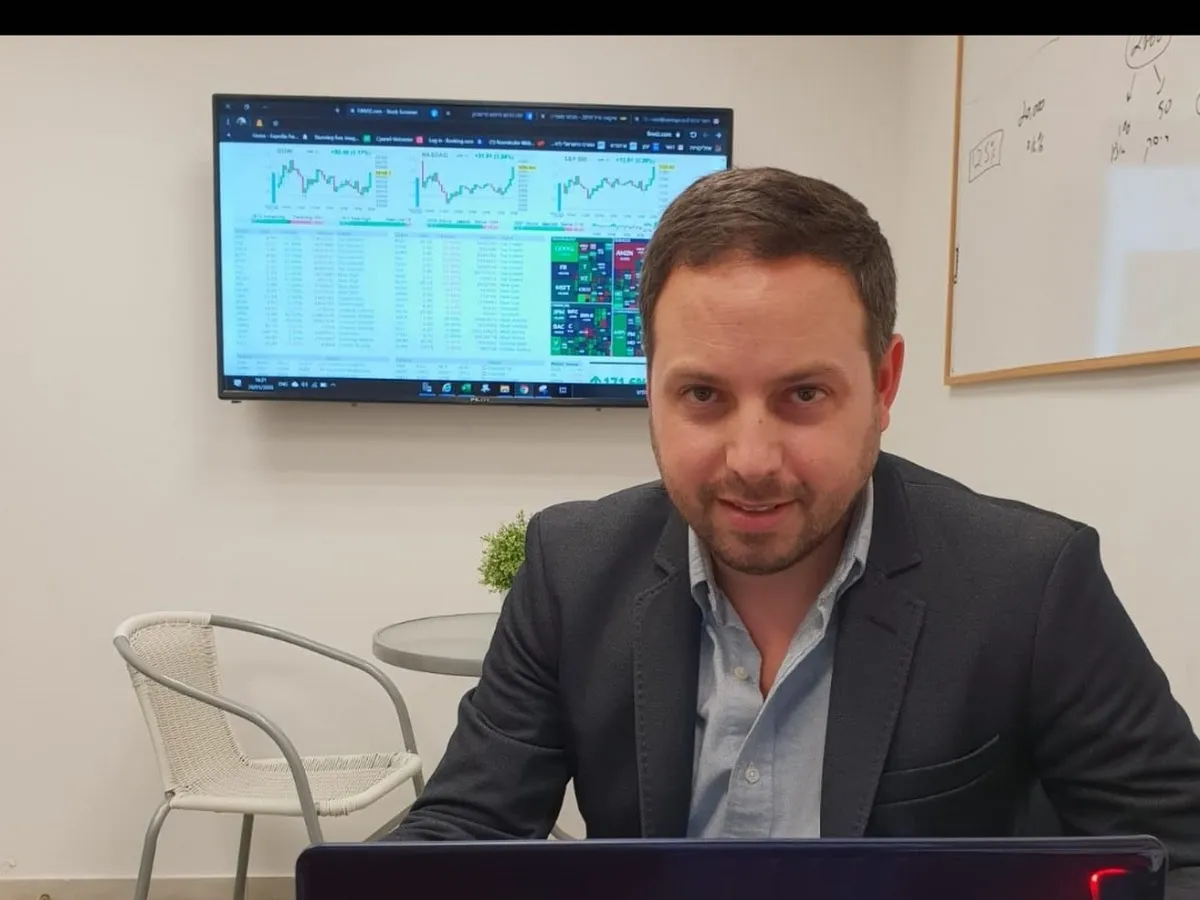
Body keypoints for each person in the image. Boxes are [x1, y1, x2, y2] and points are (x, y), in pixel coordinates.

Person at [388, 166, 1200, 893]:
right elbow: (463, 833)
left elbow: (1180, 856)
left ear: (884, 384)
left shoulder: (1031, 583)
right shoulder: (570, 571)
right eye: (702, 395)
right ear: (651, 386)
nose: (751, 460)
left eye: (804, 395)